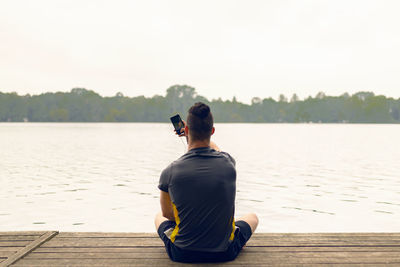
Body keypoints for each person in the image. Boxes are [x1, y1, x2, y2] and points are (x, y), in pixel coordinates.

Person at [154, 102, 258, 263]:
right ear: (212, 131)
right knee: (252, 218)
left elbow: (168, 214)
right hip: (224, 253)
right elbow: (217, 151)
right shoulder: (228, 164)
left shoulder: (170, 171)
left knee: (159, 216)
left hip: (182, 253)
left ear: (187, 130)